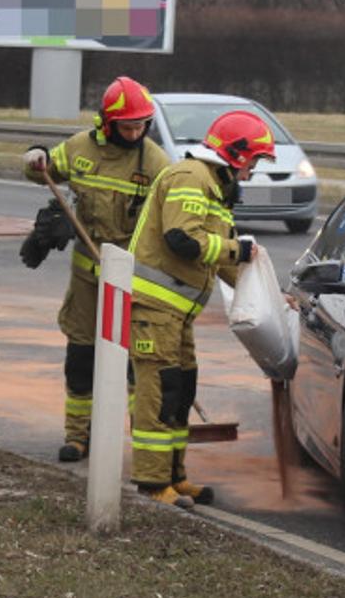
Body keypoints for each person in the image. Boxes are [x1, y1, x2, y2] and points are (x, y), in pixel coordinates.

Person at [125, 111, 273, 508]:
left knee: (180, 389)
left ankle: (175, 476)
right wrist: (236, 249)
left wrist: (268, 293)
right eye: (254, 161)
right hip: (153, 309)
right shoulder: (192, 179)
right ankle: (153, 483)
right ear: (237, 155)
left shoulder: (214, 187)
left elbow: (218, 262)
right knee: (158, 394)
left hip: (175, 314)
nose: (253, 171)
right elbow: (183, 239)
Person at [23, 76, 170, 463]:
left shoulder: (155, 162)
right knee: (81, 359)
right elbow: (44, 169)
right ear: (107, 123)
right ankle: (77, 437)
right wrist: (36, 157)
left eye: (141, 125)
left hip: (133, 279)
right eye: (128, 126)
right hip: (88, 279)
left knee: (137, 364)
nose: (135, 132)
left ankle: (143, 441)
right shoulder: (80, 149)